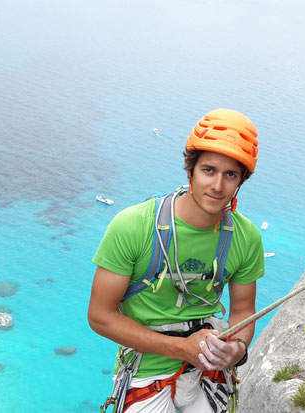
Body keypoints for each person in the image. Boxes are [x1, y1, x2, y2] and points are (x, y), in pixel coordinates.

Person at [88, 108, 265, 413]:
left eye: (230, 174)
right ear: (190, 171)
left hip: (208, 370)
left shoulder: (245, 237)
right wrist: (181, 348)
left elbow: (242, 313)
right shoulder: (134, 226)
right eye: (209, 170)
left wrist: (235, 350)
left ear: (240, 182)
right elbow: (100, 316)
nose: (218, 186)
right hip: (147, 371)